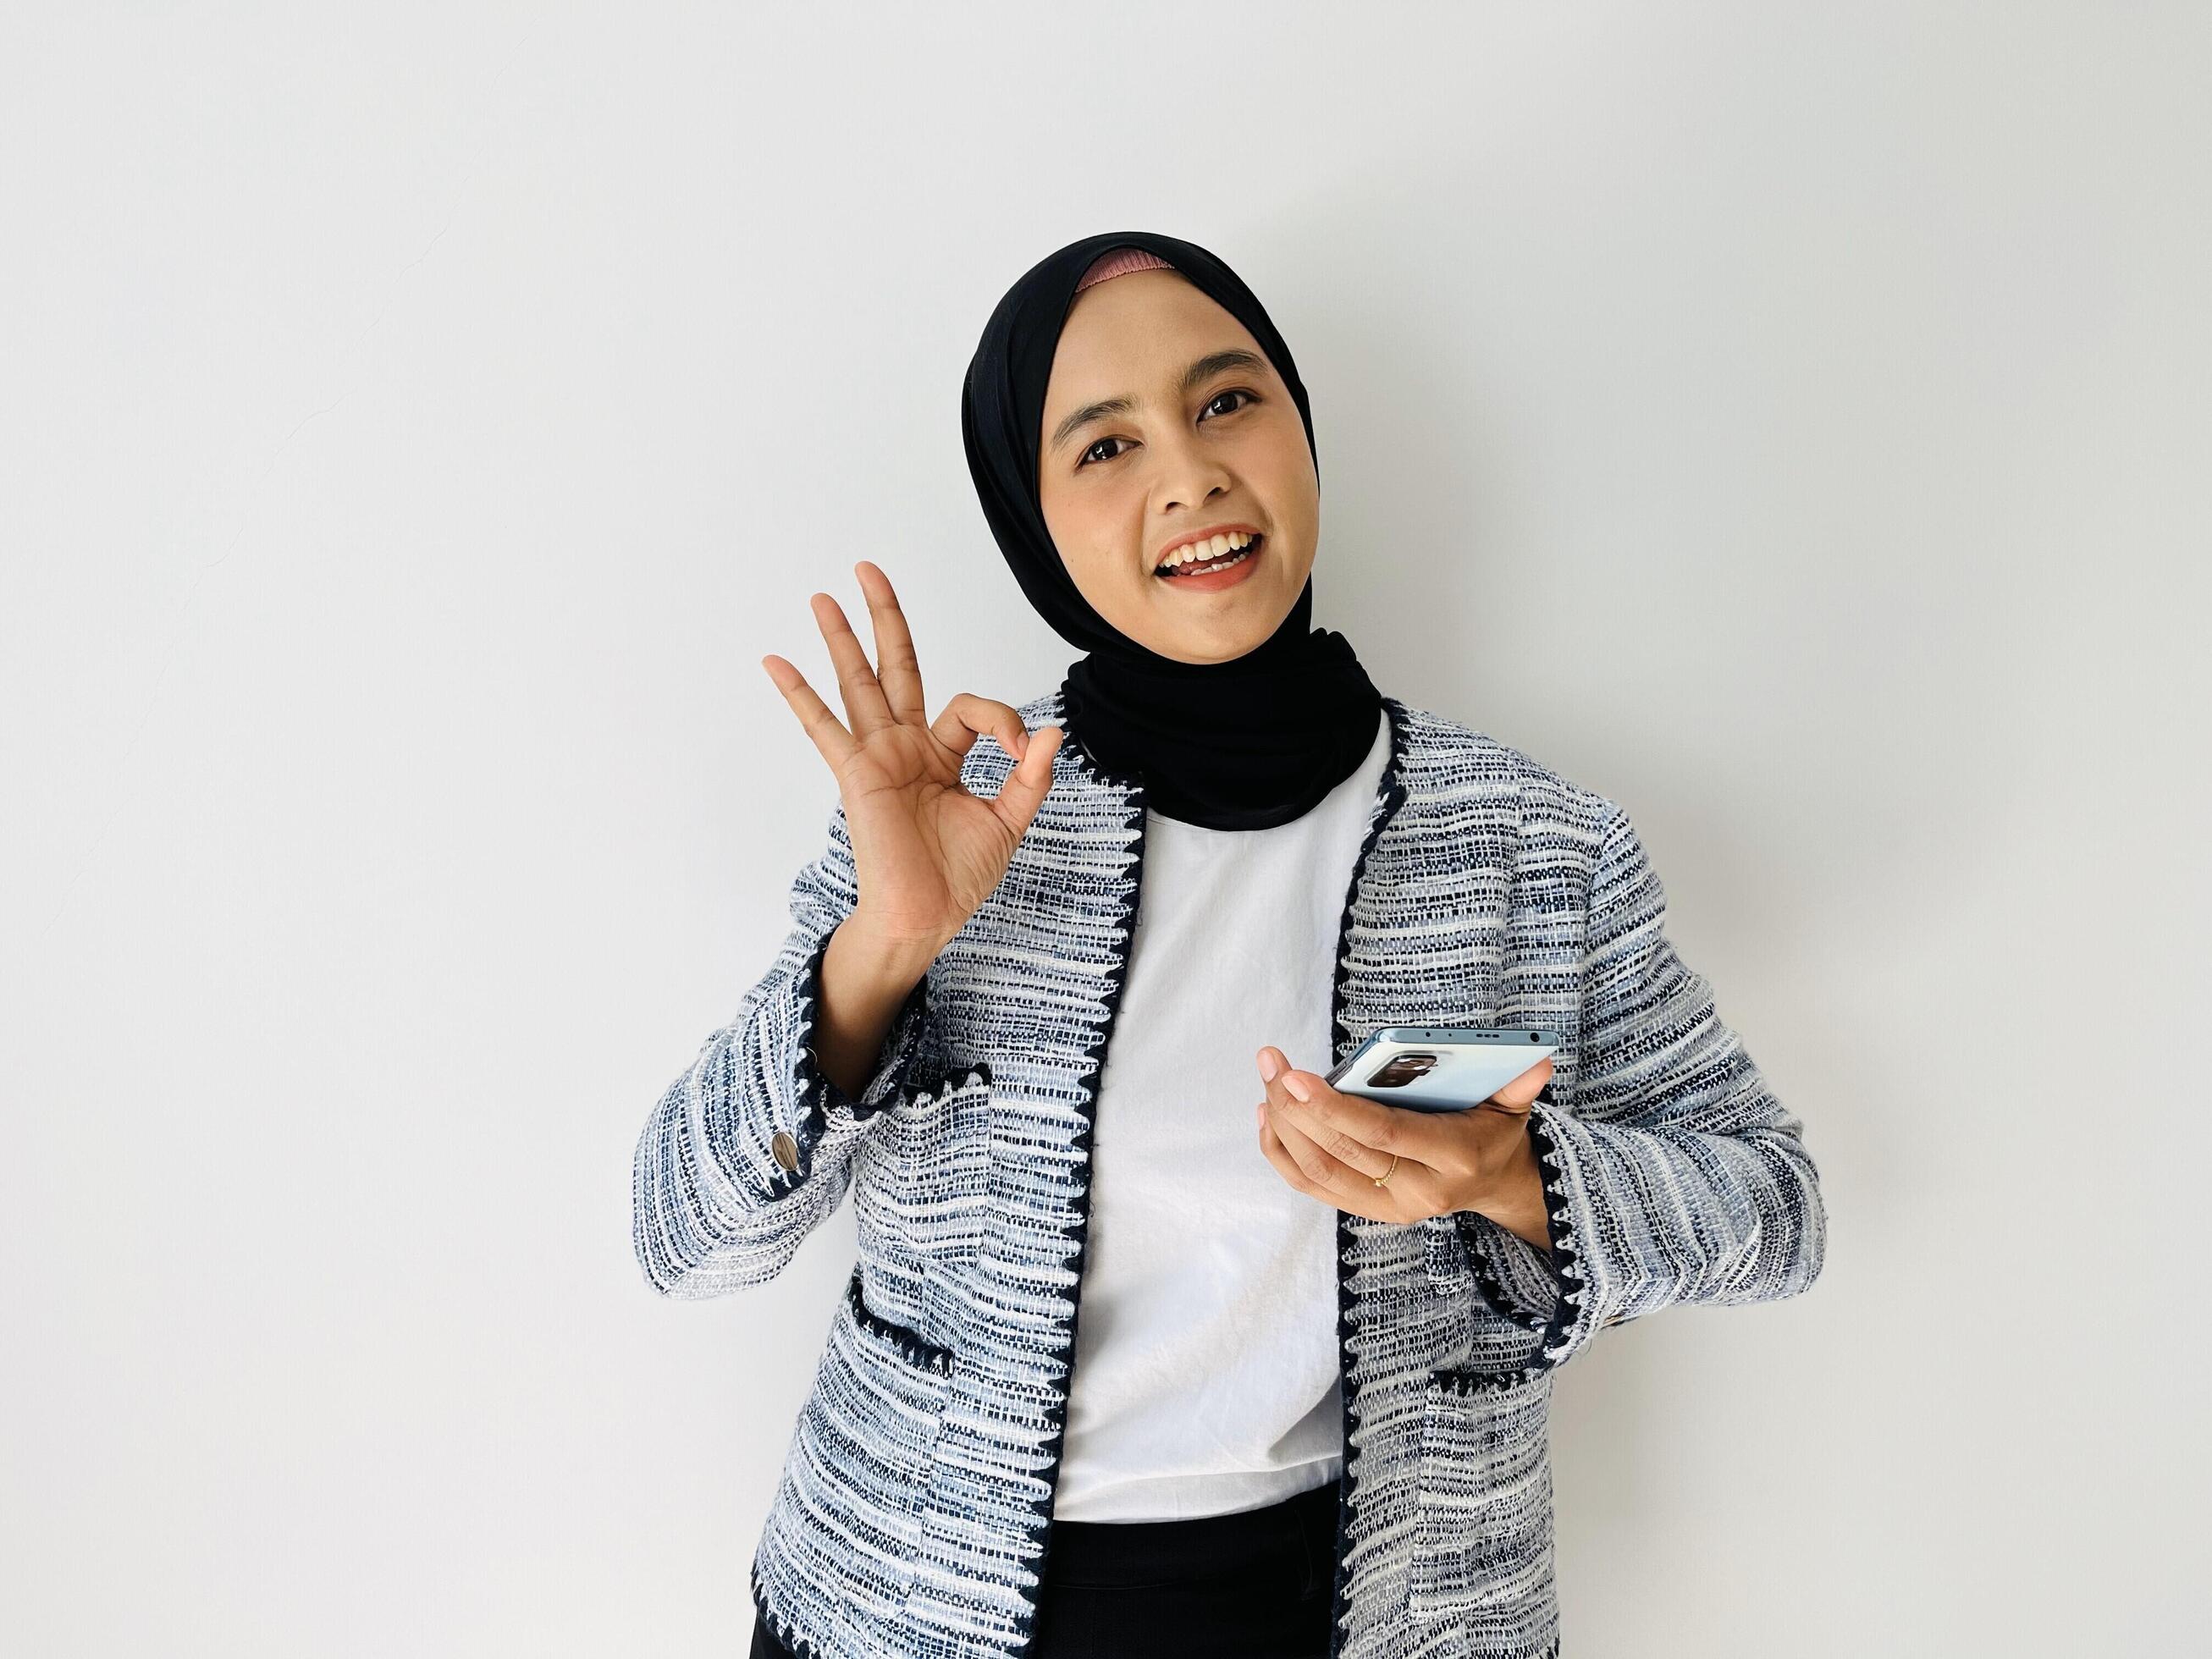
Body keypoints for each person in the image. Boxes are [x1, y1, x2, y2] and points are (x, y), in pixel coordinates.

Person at [635, 231, 1828, 1659]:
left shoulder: (1530, 844)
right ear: (1033, 519)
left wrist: (1519, 1178)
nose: (1190, 476)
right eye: (1102, 447)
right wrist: (879, 952)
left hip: (1390, 1612)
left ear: (1299, 429)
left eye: (1225, 403)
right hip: (913, 1610)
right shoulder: (941, 826)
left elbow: (1770, 1210)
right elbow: (680, 1240)